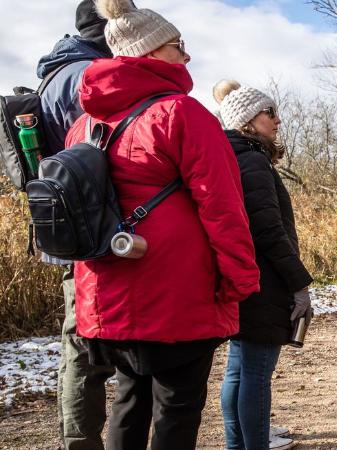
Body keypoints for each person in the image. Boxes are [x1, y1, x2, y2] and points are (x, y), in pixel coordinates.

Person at [63, 1, 260, 449]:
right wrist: (240, 280)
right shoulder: (181, 114)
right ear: (148, 53)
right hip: (177, 299)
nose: (186, 57)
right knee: (176, 410)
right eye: (178, 46)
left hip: (104, 298)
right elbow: (224, 208)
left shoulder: (85, 125)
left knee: (128, 403)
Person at [213, 79, 314, 450]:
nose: (277, 120)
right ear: (247, 119)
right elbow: (268, 231)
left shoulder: (233, 156)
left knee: (238, 370)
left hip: (244, 280)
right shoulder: (252, 160)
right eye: (269, 112)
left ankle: (236, 446)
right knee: (254, 373)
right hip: (263, 283)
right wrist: (298, 282)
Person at [35, 2, 116, 448]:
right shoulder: (87, 75)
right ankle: (81, 442)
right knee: (85, 344)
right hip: (89, 232)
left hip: (67, 228)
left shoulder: (57, 70)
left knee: (82, 341)